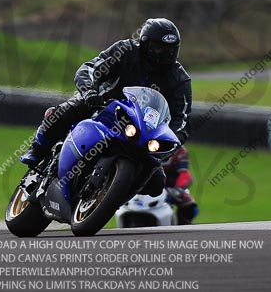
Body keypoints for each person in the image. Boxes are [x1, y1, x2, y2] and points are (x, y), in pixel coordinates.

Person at [20, 18, 192, 194]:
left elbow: (182, 120)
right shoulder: (125, 51)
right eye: (159, 49)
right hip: (102, 106)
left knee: (156, 184)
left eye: (171, 50)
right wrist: (90, 92)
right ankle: (38, 148)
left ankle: (111, 196)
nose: (165, 55)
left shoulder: (180, 80)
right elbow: (90, 68)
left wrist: (171, 141)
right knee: (67, 111)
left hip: (141, 132)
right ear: (144, 44)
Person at [162, 146, 199, 225]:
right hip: (144, 187)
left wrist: (178, 190)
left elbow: (184, 174)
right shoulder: (143, 145)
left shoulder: (180, 150)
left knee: (189, 205)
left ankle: (184, 229)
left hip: (170, 189)